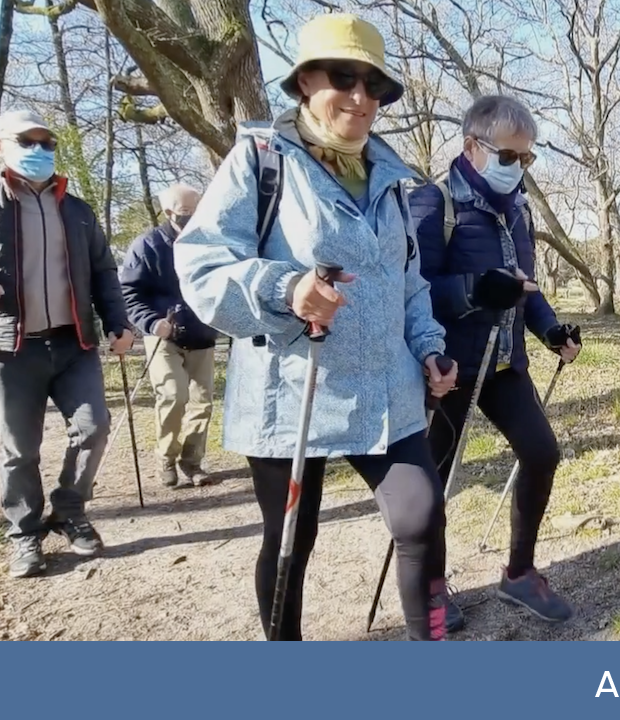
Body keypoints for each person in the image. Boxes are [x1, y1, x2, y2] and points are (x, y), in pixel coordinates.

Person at [174, 13, 458, 641]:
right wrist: (285, 288)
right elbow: (202, 265)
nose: (361, 97)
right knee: (290, 540)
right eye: (343, 78)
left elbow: (408, 282)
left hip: (386, 388)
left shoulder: (390, 178)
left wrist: (430, 348)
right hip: (293, 392)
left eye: (374, 85)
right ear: (304, 81)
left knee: (421, 516)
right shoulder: (261, 160)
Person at [0, 109, 134, 578]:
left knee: (95, 428)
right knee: (19, 449)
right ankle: (23, 533)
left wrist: (118, 322)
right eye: (27, 140)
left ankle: (69, 509)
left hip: (74, 342)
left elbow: (104, 271)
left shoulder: (77, 210)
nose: (39, 150)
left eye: (47, 142)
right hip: (7, 347)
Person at [410, 95, 582, 627]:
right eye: (508, 156)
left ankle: (519, 574)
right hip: (446, 368)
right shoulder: (433, 203)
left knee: (542, 453)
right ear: (472, 147)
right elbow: (412, 289)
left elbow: (526, 288)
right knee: (432, 479)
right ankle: (430, 587)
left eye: (526, 157)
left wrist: (550, 329)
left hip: (505, 363)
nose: (518, 167)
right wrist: (475, 290)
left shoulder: (518, 210)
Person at [120, 184, 218, 489]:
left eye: (197, 209)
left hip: (202, 332)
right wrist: (151, 322)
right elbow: (129, 293)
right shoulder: (147, 246)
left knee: (202, 402)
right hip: (164, 334)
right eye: (186, 211)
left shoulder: (210, 241)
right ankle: (166, 457)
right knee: (174, 396)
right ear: (168, 212)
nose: (193, 216)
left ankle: (192, 461)